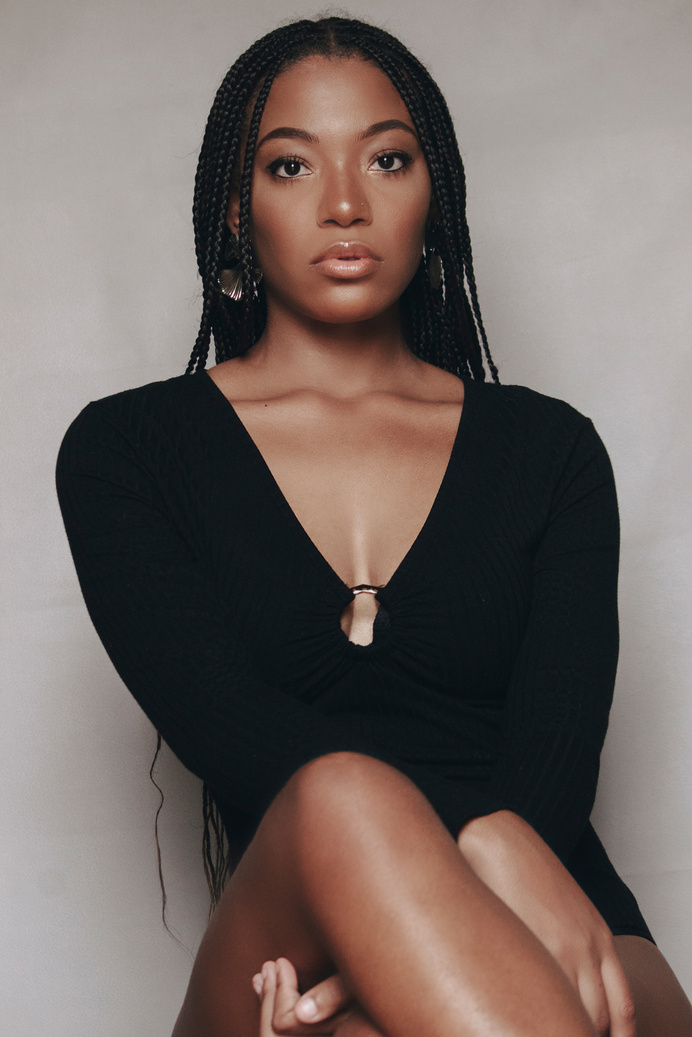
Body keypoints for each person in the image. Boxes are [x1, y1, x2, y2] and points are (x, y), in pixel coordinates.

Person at [55, 15, 692, 1037]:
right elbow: (234, 731)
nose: (345, 204)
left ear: (432, 195)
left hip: (559, 916)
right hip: (284, 942)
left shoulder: (548, 453)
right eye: (291, 166)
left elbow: (552, 763)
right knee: (338, 791)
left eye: (387, 161)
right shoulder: (129, 453)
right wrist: (463, 842)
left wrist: (445, 930)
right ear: (234, 207)